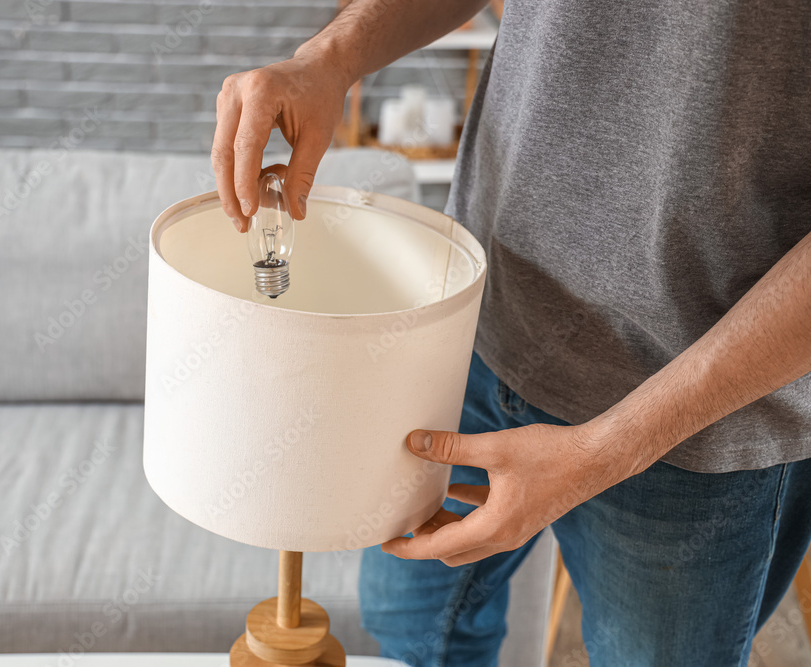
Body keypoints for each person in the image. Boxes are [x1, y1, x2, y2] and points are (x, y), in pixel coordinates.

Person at [211, 0, 811, 664]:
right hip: (470, 325)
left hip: (696, 421)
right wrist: (330, 56)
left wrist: (605, 450)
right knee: (409, 628)